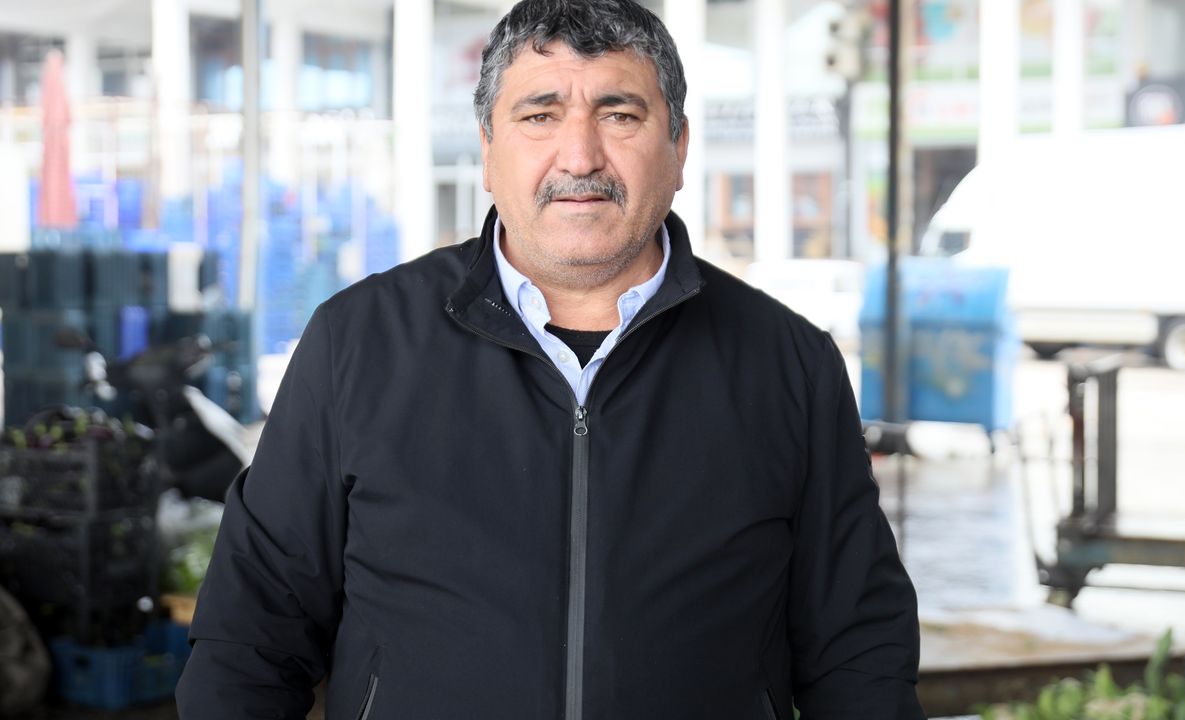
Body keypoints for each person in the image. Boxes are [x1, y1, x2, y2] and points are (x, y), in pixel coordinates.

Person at [175, 0, 924, 717]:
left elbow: (858, 656)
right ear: (487, 150)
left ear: (679, 147)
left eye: (620, 115)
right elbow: (250, 637)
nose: (580, 156)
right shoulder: (358, 343)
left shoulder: (789, 365)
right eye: (540, 115)